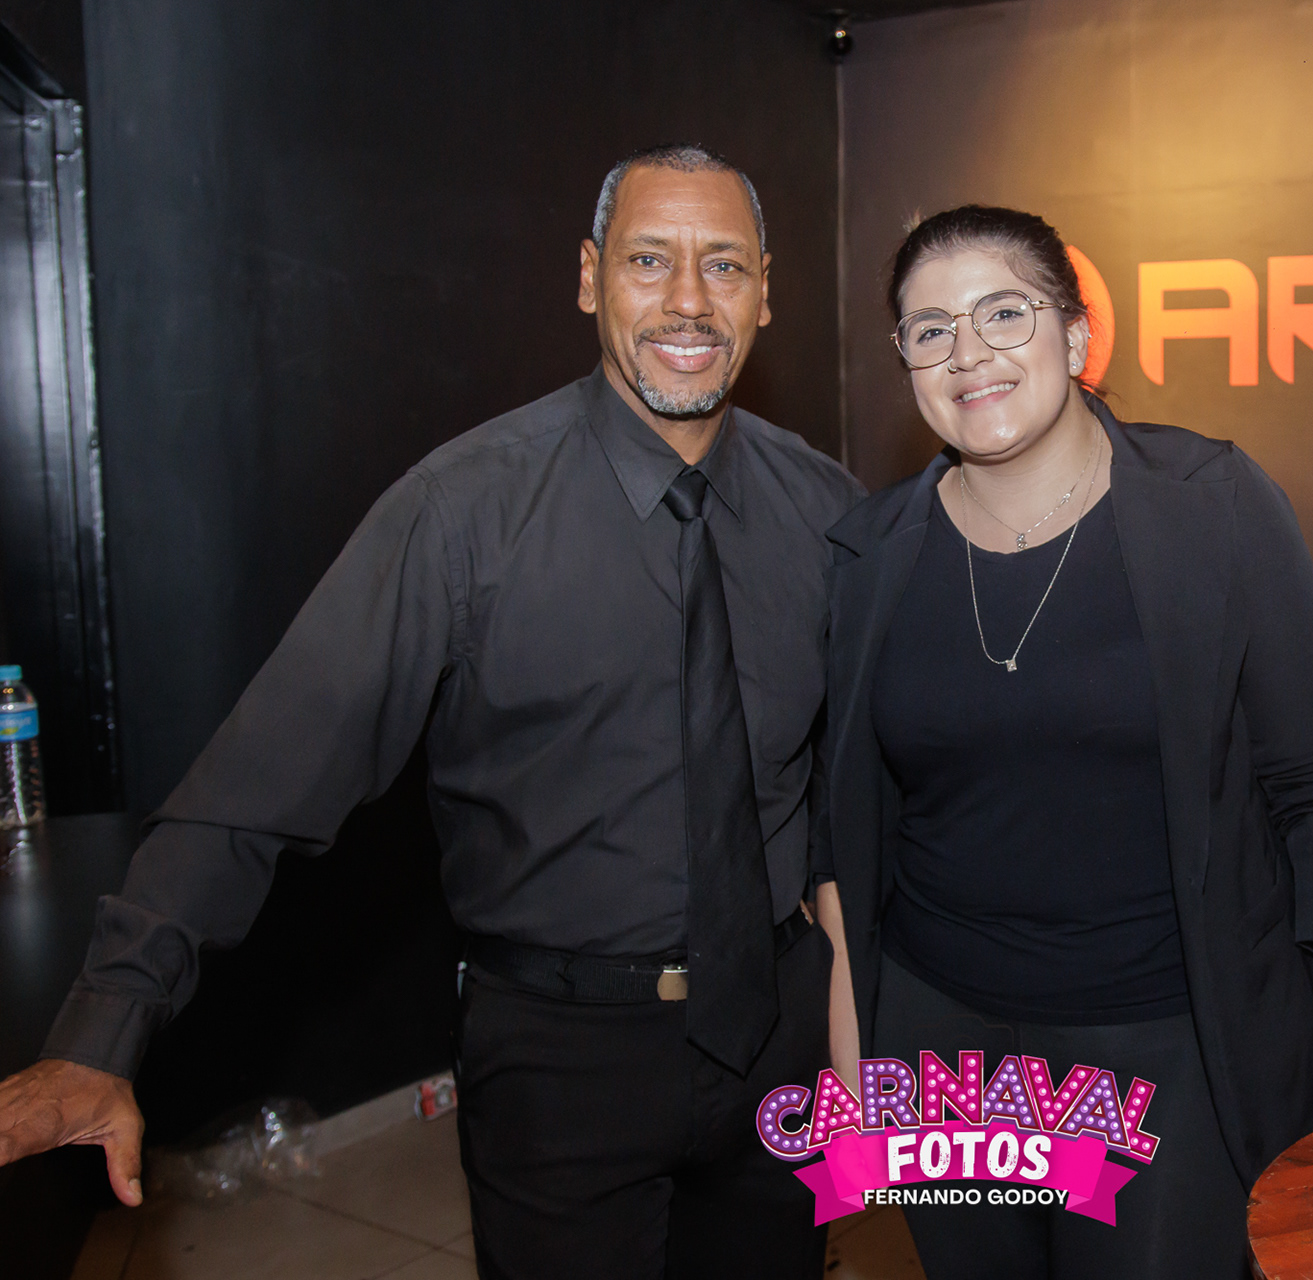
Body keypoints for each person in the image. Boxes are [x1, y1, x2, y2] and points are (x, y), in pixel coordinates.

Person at [0, 144, 863, 1280]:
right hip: (559, 1061)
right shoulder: (459, 514)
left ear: (766, 292)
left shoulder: (828, 511)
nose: (690, 301)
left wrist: (868, 1043)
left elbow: (861, 802)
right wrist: (101, 1030)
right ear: (590, 278)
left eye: (726, 265)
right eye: (650, 260)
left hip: (783, 1044)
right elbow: (259, 783)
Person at [812, 205, 1313, 1279]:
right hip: (943, 1048)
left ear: (1077, 334)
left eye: (1004, 313)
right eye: (931, 330)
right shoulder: (867, 555)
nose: (969, 352)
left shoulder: (1213, 507)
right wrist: (855, 1060)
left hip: (1167, 1043)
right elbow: (846, 831)